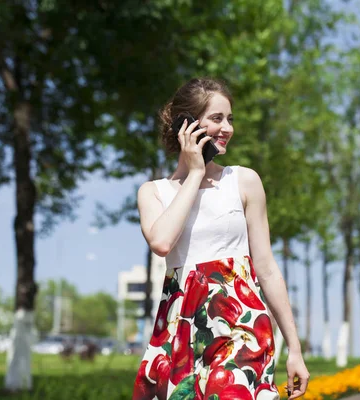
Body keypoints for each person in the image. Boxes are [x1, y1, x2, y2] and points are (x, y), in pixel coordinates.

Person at [133, 78, 309, 400]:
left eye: (230, 119)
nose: (227, 128)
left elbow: (267, 268)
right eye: (216, 118)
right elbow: (161, 242)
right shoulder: (154, 192)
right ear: (186, 124)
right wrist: (196, 174)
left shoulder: (243, 182)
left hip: (242, 322)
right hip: (182, 329)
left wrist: (294, 349)